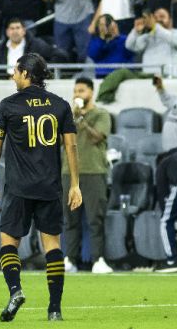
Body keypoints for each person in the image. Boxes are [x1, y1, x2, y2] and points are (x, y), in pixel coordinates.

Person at [0, 53, 81, 322]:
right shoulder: (60, 105)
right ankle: (54, 309)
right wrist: (75, 184)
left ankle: (15, 290)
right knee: (52, 245)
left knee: (8, 241)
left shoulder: (9, 106)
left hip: (18, 187)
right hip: (50, 187)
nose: (13, 75)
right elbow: (71, 145)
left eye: (16, 71)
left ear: (26, 73)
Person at [62, 77, 111, 274]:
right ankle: (70, 259)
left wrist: (81, 119)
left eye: (81, 91)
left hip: (93, 171)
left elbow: (97, 137)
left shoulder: (101, 114)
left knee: (95, 218)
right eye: (75, 91)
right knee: (70, 219)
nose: (77, 95)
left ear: (91, 92)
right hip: (69, 173)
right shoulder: (68, 117)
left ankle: (98, 259)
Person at [125, 7, 177, 77]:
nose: (158, 20)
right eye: (155, 17)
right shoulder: (149, 36)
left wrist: (155, 26)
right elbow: (130, 46)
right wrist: (135, 31)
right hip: (148, 79)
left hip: (171, 79)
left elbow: (172, 39)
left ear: (171, 20)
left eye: (162, 16)